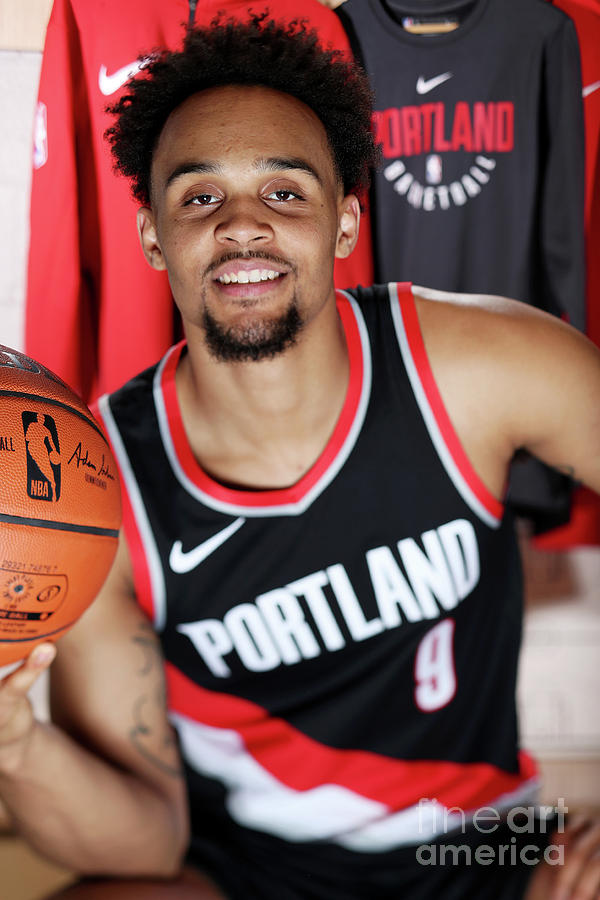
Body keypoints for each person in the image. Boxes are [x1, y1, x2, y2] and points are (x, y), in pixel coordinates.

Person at [1, 14, 600, 900]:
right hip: (242, 868)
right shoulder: (100, 486)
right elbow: (147, 839)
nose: (243, 226)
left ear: (348, 223)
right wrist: (15, 743)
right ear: (153, 237)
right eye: (200, 198)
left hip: (479, 849)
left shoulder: (482, 365)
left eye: (284, 193)